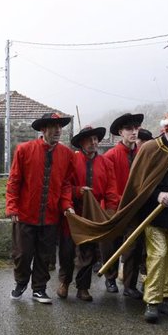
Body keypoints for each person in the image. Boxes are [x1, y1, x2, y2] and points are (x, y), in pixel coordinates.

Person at [66, 113, 168, 324]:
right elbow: (139, 186)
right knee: (158, 255)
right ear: (167, 130)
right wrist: (157, 195)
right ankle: (152, 301)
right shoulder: (151, 149)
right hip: (155, 218)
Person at [6, 112, 75, 303]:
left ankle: (39, 289)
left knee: (45, 255)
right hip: (25, 213)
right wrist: (12, 206)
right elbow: (14, 181)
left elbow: (66, 184)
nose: (59, 131)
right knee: (23, 253)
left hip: (51, 215)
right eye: (54, 127)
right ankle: (20, 284)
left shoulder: (67, 154)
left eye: (60, 127)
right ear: (43, 129)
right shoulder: (24, 150)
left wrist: (66, 205)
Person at [57, 125, 119, 302]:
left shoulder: (106, 164)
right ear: (81, 143)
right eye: (89, 139)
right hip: (72, 211)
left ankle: (83, 287)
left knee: (88, 250)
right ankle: (64, 282)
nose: (93, 142)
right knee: (67, 250)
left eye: (95, 139)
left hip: (93, 212)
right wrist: (77, 192)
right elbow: (66, 184)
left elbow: (111, 191)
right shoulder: (72, 160)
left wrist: (110, 212)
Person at [102, 113, 144, 297]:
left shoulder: (143, 153)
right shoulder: (111, 155)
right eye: (129, 129)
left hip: (136, 208)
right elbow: (108, 184)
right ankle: (110, 278)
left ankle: (129, 285)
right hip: (115, 208)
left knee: (133, 247)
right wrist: (117, 203)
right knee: (112, 244)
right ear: (121, 132)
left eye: (136, 128)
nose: (134, 132)